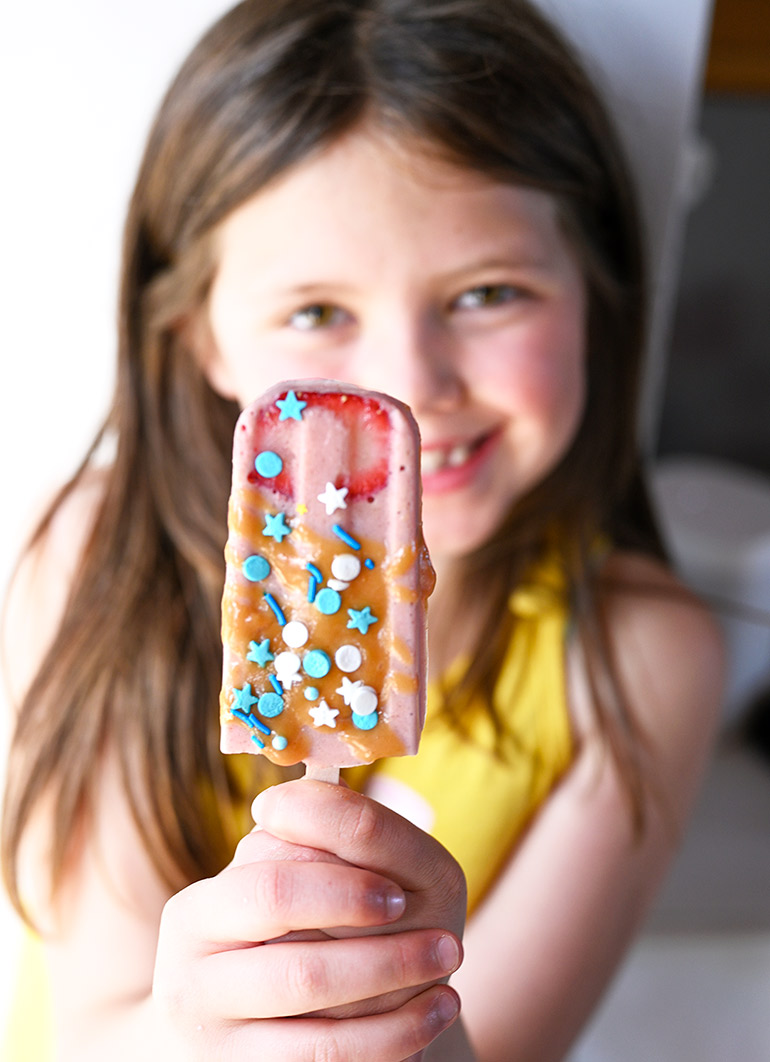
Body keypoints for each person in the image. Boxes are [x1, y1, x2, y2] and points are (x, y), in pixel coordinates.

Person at [1, 1, 724, 1059]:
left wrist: (414, 1026)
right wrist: (199, 1030)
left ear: (598, 296)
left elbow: (502, 1047)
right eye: (315, 313)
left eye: (487, 293)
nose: (409, 386)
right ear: (199, 337)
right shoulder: (98, 563)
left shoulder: (640, 659)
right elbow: (85, 1025)